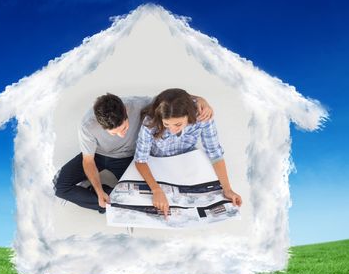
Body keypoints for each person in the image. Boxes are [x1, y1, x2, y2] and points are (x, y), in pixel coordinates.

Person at [53, 92, 214, 213]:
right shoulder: (87, 126)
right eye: (114, 133)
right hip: (98, 156)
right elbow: (88, 161)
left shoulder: (138, 104)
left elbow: (172, 99)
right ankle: (102, 194)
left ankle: (108, 197)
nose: (121, 134)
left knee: (145, 201)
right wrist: (98, 191)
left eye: (124, 128)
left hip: (128, 158)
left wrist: (201, 100)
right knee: (60, 188)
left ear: (125, 110)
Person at [134, 88, 242, 218]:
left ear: (189, 115)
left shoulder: (202, 116)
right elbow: (140, 160)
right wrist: (156, 190)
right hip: (158, 165)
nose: (173, 130)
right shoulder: (150, 123)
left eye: (178, 124)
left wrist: (228, 189)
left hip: (187, 163)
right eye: (167, 124)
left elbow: (215, 153)